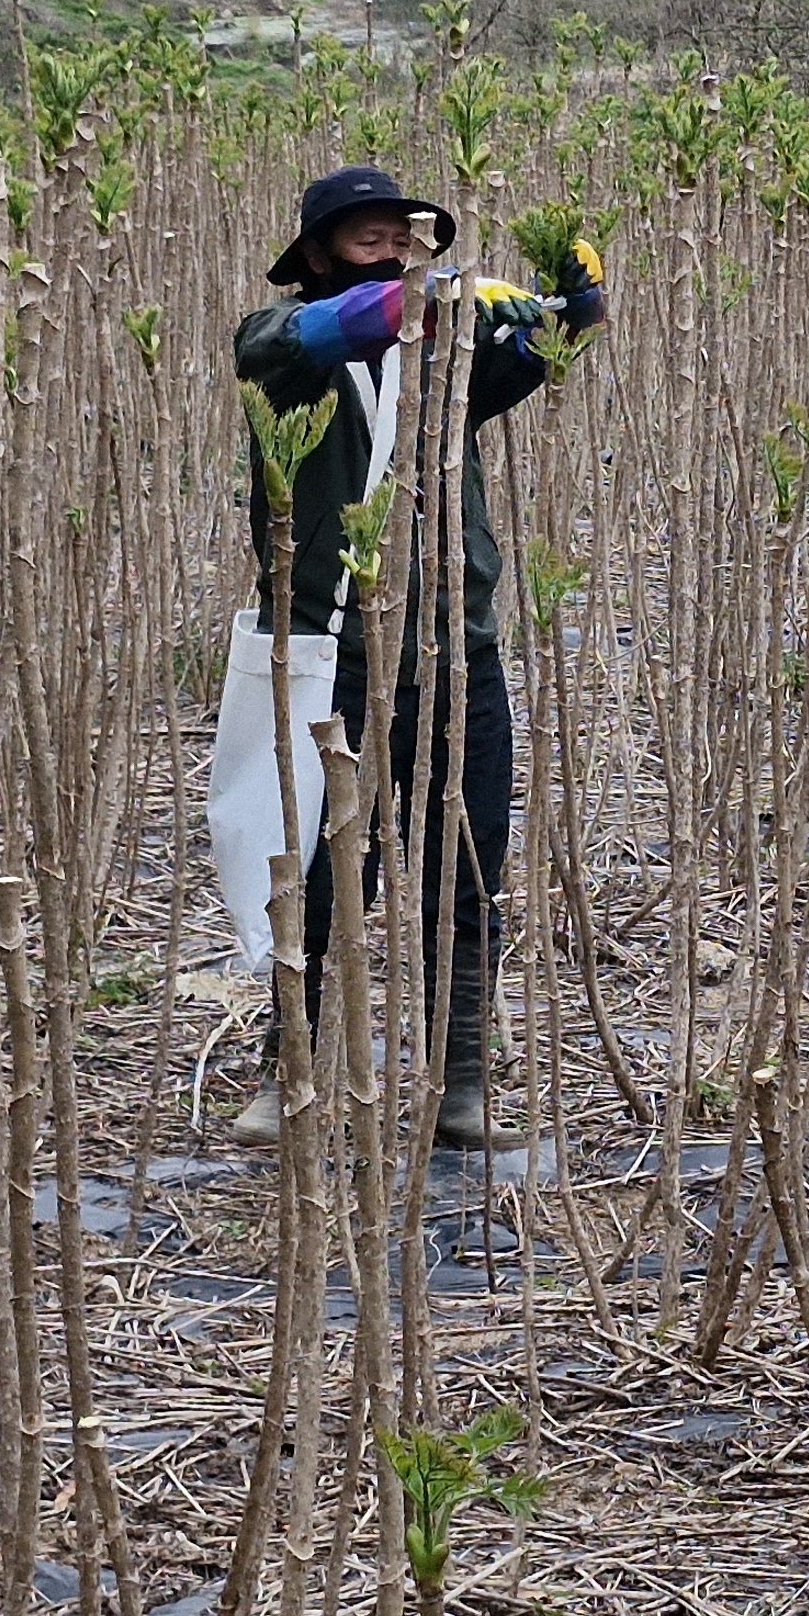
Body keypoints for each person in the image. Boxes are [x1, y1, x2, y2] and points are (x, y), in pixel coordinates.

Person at [227, 164, 605, 1152]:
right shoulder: (279, 348)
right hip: (332, 656)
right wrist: (418, 299)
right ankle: (292, 1068)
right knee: (317, 877)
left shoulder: (440, 369)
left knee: (464, 869)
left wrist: (573, 305)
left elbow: (533, 358)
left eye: (407, 236)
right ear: (312, 257)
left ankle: (463, 1083)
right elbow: (316, 333)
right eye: (367, 239)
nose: (395, 248)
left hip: (456, 651)